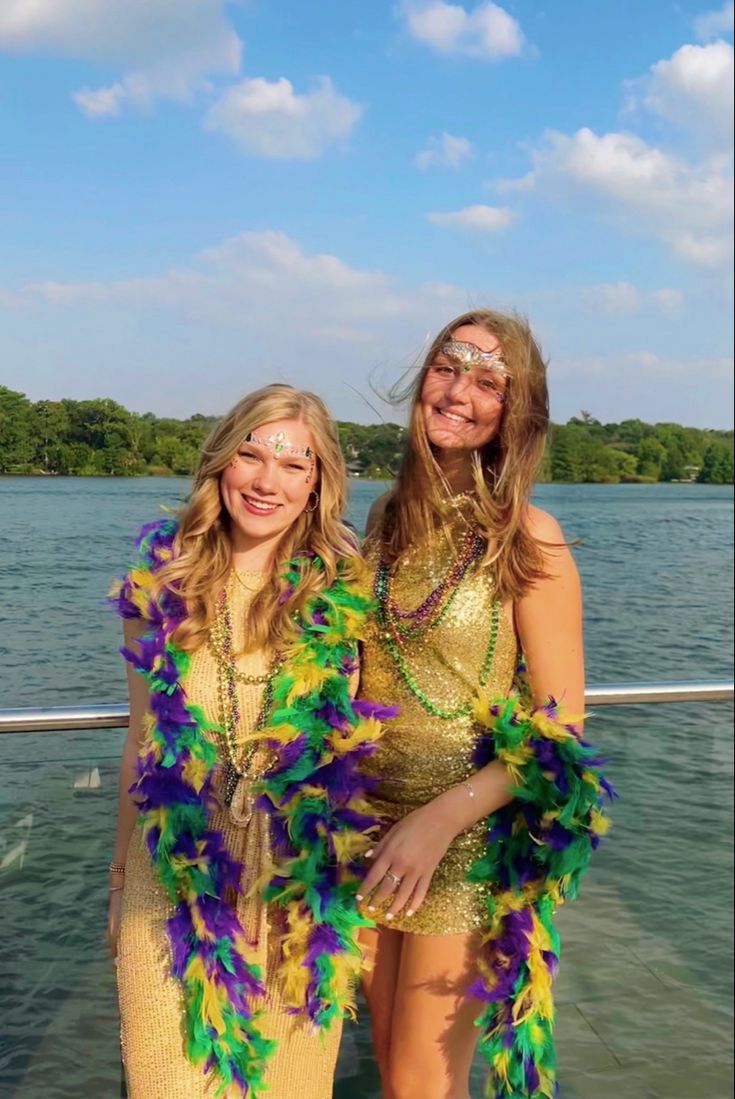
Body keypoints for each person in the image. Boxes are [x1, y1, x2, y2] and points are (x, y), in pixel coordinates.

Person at [107, 383, 391, 1099]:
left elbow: (365, 754)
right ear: (220, 463)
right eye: (252, 454)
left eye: (294, 465)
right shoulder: (161, 584)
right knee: (168, 1081)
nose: (267, 481)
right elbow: (143, 744)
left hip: (299, 892)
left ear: (317, 484)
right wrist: (116, 884)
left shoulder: (341, 594)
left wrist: (365, 911)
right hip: (174, 883)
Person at [356, 310, 612, 1099]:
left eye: (486, 378)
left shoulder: (529, 536)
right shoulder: (381, 523)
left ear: (515, 410)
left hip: (461, 841)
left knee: (419, 1083)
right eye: (446, 364)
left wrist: (438, 822)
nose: (458, 389)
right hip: (363, 828)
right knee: (388, 1058)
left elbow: (559, 725)